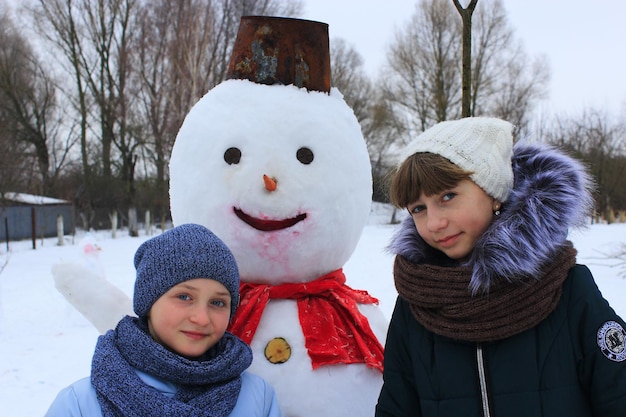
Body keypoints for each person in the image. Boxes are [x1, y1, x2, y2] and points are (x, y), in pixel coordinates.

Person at [375, 117, 626, 416]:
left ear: (492, 192)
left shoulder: (567, 288)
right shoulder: (416, 304)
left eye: (448, 196)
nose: (434, 223)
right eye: (418, 208)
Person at [45, 223, 284, 417]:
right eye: (184, 297)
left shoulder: (257, 397)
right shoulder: (79, 405)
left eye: (218, 303)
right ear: (148, 302)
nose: (201, 318)